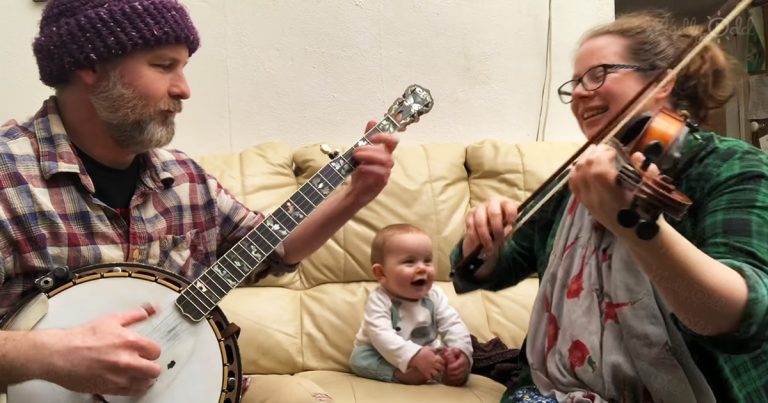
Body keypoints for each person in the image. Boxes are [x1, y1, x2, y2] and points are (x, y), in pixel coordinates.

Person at [0, 0, 398, 398]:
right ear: (92, 65)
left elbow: (273, 250)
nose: (184, 89)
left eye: (183, 68)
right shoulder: (8, 176)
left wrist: (354, 196)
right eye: (163, 65)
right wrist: (47, 354)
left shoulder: (184, 178)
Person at [452, 11, 768, 403]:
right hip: (553, 392)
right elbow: (484, 273)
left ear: (662, 83)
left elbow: (744, 318)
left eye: (598, 74)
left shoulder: (729, 166)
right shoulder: (580, 178)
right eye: (576, 83)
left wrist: (632, 223)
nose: (581, 92)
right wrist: (481, 241)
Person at [350, 224, 473, 386]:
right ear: (381, 273)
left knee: (448, 358)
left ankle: (451, 373)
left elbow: (453, 324)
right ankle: (400, 375)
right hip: (381, 352)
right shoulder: (379, 299)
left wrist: (461, 351)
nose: (422, 268)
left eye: (427, 261)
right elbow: (381, 335)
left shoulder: (435, 296)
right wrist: (414, 355)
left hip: (427, 353)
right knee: (358, 359)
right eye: (409, 262)